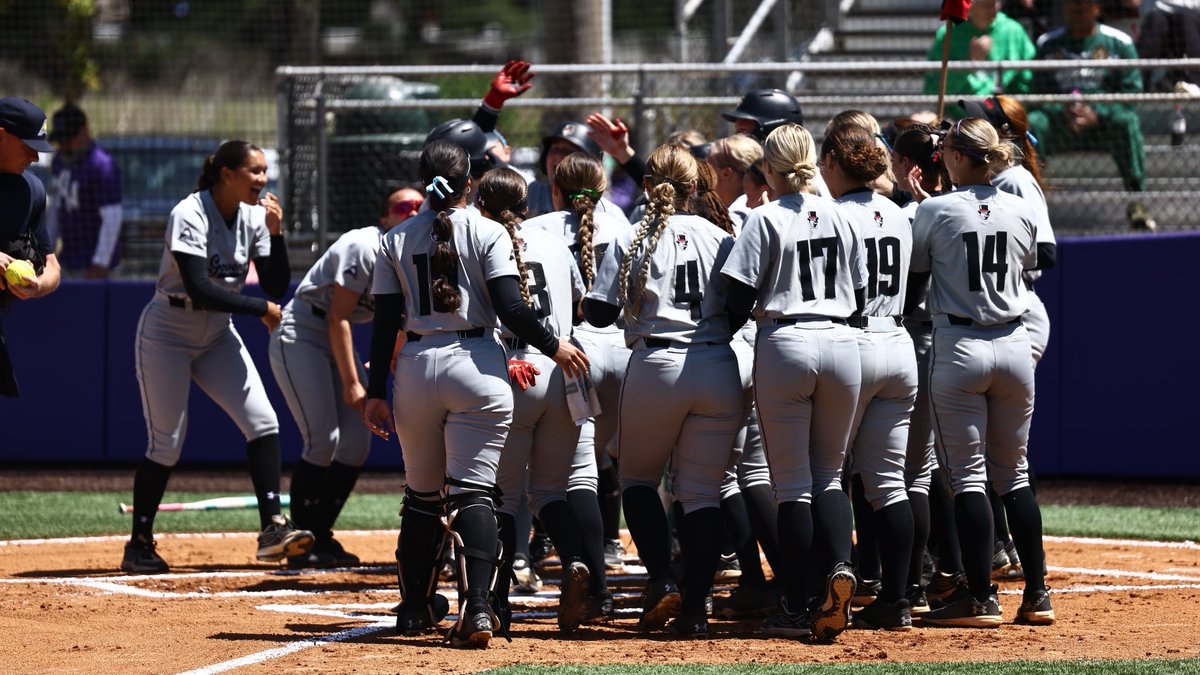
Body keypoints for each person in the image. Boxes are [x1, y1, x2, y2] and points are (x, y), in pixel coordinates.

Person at [363, 141, 588, 649]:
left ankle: (415, 609)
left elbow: (384, 323)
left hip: (417, 364)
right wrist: (554, 346)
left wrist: (374, 391)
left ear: (423, 182)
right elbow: (512, 309)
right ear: (470, 184)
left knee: (421, 495)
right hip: (478, 364)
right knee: (474, 493)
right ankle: (480, 609)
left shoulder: (394, 238)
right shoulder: (489, 231)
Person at [122, 140, 311, 574]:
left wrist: (276, 233)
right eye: (254, 171)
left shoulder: (255, 216)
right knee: (165, 444)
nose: (263, 178)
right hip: (168, 330)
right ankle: (139, 543)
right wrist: (260, 310)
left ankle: (272, 529)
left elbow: (275, 285)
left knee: (263, 423)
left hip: (216, 333)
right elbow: (198, 287)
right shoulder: (189, 212)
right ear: (226, 173)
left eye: (264, 171)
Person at [583, 143, 742, 640]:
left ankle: (662, 578)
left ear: (649, 186)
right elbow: (741, 303)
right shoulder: (722, 237)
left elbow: (599, 314)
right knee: (702, 495)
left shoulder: (632, 236)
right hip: (716, 360)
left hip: (657, 363)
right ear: (696, 186)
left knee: (636, 480)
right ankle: (695, 611)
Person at [721, 123, 866, 642]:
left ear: (767, 168)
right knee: (830, 475)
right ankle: (841, 567)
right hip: (843, 340)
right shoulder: (843, 214)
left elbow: (736, 299)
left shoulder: (763, 217)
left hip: (786, 339)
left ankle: (798, 601)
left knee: (791, 485)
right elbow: (861, 292)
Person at [909, 117, 1054, 628]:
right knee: (1014, 474)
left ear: (956, 156)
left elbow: (915, 281)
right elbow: (1039, 259)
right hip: (1014, 341)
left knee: (967, 476)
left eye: (946, 148)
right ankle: (1037, 593)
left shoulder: (934, 208)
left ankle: (979, 598)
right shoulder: (1020, 204)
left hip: (960, 345)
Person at [475, 167, 601, 634]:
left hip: (514, 366)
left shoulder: (481, 239)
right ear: (526, 204)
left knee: (504, 497)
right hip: (565, 367)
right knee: (550, 491)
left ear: (482, 204)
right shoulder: (553, 241)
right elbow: (581, 305)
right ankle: (574, 560)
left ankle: (497, 602)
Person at [268, 185, 420, 570]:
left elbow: (400, 326)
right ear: (385, 217)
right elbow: (337, 316)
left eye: (420, 205)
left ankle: (320, 534)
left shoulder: (414, 258)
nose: (413, 211)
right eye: (404, 206)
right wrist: (354, 383)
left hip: (338, 336)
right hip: (303, 330)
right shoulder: (364, 245)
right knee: (323, 438)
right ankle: (299, 540)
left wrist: (385, 364)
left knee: (355, 443)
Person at [818, 123, 918, 632]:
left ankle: (831, 575)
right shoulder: (899, 212)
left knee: (828, 472)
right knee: (889, 485)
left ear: (835, 165)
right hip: (898, 341)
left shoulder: (833, 214)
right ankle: (897, 600)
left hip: (852, 340)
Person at [524, 151, 633, 578]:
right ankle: (614, 551)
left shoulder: (535, 228)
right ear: (602, 190)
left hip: (570, 353)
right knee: (611, 466)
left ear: (554, 188)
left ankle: (533, 558)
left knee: (557, 473)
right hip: (625, 352)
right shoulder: (624, 226)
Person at [1026, 0, 1151, 227]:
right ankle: (1030, 205)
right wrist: (1062, 109)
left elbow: (1132, 93)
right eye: (1072, 3)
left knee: (1127, 120)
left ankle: (1137, 203)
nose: (1078, 8)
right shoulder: (1047, 44)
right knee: (1034, 122)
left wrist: (1098, 113)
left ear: (1097, 7)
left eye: (1085, 3)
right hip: (1060, 126)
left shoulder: (1119, 43)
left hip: (1104, 127)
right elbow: (1037, 93)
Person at [0, 96, 62, 398]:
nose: (35, 158)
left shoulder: (31, 190)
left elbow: (52, 267)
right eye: (28, 147)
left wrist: (36, 286)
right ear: (1, 135)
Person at [46, 103, 123, 278]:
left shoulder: (101, 166)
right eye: (61, 140)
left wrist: (100, 263)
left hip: (96, 266)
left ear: (84, 132)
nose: (64, 145)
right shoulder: (59, 162)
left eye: (69, 139)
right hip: (68, 261)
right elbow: (54, 211)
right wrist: (46, 251)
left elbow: (112, 217)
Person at [923, 0, 1038, 97]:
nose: (992, 11)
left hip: (1002, 111)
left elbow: (1029, 81)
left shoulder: (1013, 31)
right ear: (969, 7)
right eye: (986, 5)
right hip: (958, 113)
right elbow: (933, 90)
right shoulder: (948, 35)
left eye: (995, 3)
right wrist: (969, 63)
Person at [705, 134, 764, 230]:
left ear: (726, 173)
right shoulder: (758, 205)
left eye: (707, 166)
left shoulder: (738, 216)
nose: (702, 173)